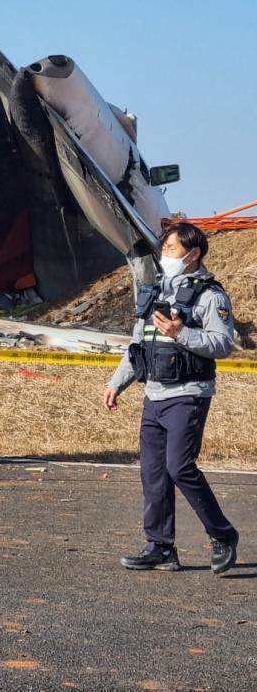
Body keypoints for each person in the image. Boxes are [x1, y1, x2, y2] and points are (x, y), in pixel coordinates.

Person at [103, 222, 238, 574]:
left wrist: (182, 333)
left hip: (189, 395)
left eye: (173, 249)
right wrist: (117, 383)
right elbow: (138, 346)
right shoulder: (154, 292)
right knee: (153, 473)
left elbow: (222, 344)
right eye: (164, 248)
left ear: (193, 254)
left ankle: (222, 535)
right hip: (154, 395)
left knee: (179, 467)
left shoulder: (211, 295)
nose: (165, 255)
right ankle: (160, 547)